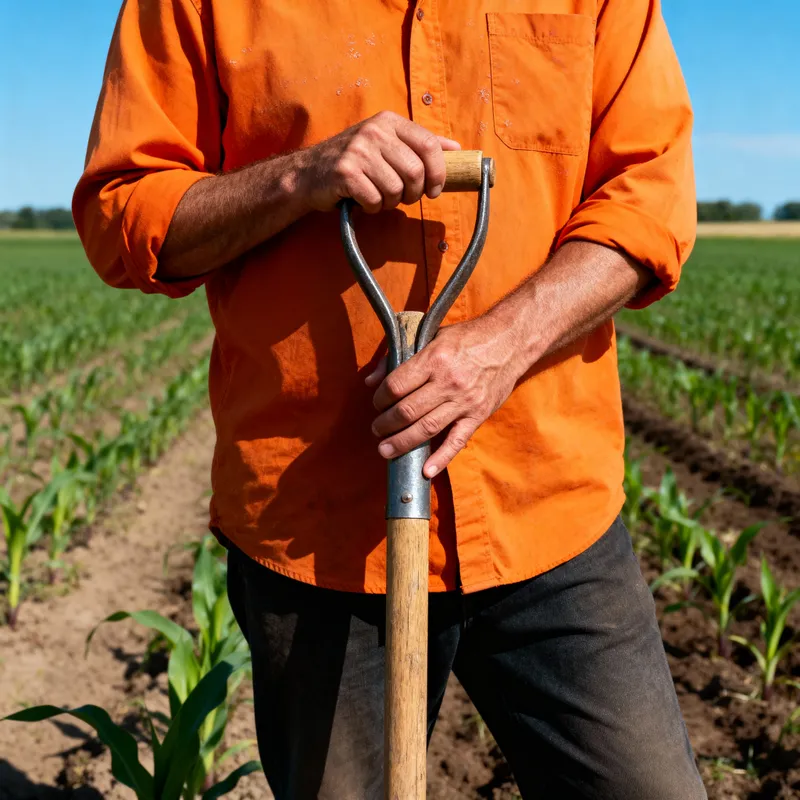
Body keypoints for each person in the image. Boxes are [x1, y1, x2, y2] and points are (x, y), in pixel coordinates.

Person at [74, 1, 706, 797]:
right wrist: (300, 175)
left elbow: (648, 194)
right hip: (318, 538)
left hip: (550, 514)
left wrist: (502, 345)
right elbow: (121, 211)